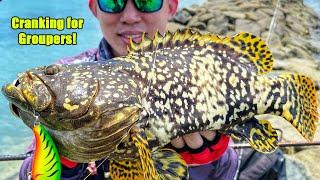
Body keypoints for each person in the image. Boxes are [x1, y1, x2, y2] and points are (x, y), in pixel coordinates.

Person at [18, 0, 239, 179]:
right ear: (94, 8)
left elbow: (228, 169)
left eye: (147, 2)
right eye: (113, 3)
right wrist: (63, 158)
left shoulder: (203, 72)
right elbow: (29, 173)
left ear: (171, 6)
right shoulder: (65, 75)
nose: (130, 16)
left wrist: (208, 160)